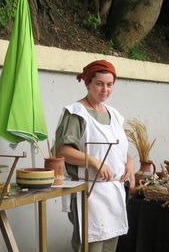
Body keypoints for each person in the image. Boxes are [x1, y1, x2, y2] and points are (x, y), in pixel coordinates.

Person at [55, 60, 135, 252]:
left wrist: (130, 165)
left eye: (109, 84)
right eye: (99, 83)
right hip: (89, 193)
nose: (104, 89)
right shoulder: (76, 113)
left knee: (109, 247)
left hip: (114, 193)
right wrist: (93, 161)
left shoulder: (114, 115)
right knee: (91, 248)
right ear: (88, 83)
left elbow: (121, 150)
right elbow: (63, 152)